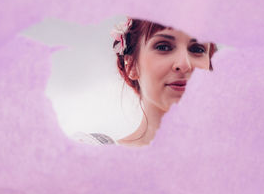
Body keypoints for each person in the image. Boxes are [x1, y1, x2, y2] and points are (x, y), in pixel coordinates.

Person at [74, 17, 216, 146]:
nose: (184, 64)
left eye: (197, 49)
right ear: (131, 65)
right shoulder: (93, 156)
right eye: (163, 47)